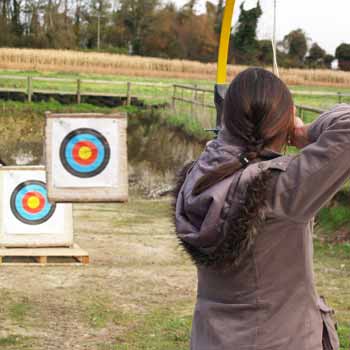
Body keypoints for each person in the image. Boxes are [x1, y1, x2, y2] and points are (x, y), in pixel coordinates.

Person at [174, 67, 344, 350]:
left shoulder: (199, 176)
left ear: (227, 119)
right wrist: (305, 132)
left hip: (211, 340)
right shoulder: (280, 189)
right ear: (285, 122)